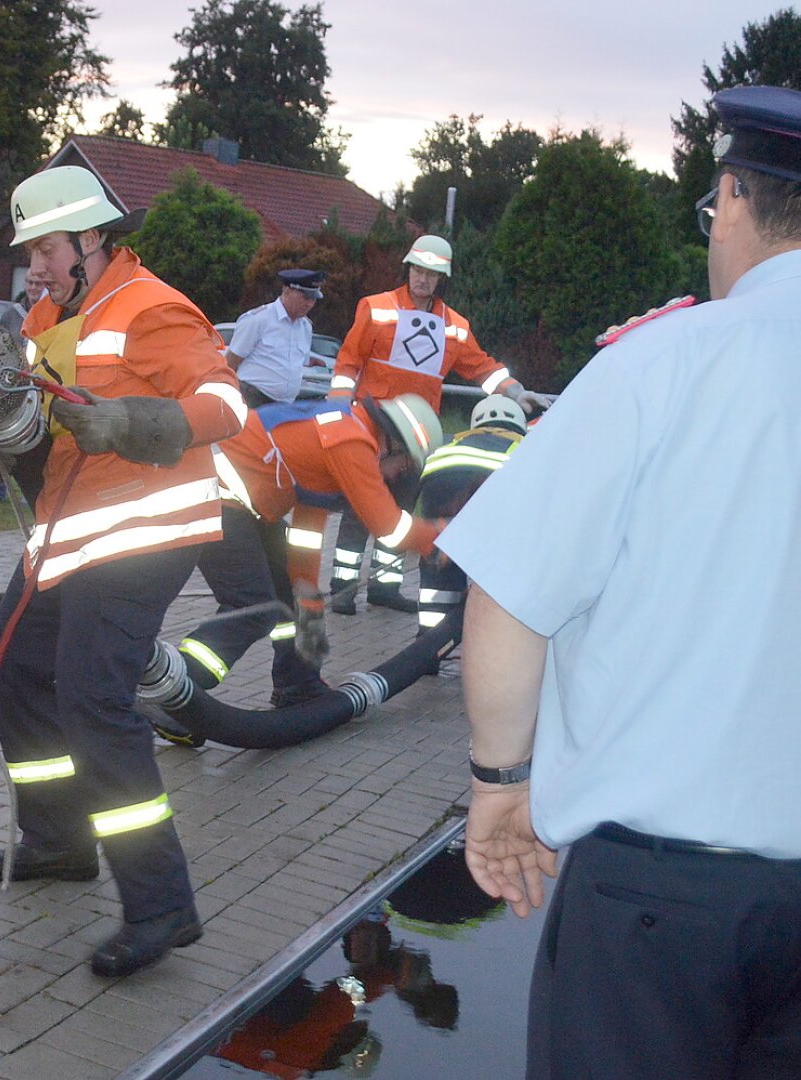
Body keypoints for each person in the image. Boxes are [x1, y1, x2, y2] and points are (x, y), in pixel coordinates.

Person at [441, 85, 801, 1078]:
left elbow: (512, 591)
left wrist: (500, 784)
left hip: (659, 909)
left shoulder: (662, 363)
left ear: (732, 196)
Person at [0, 166, 246, 978]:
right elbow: (36, 415)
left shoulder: (152, 307)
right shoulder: (51, 314)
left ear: (92, 239)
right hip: (70, 532)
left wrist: (126, 420)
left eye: (47, 249)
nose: (36, 268)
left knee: (94, 702)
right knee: (12, 671)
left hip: (147, 535)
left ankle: (162, 905)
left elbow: (226, 408)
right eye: (30, 253)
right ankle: (57, 839)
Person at [327, 235, 552, 615]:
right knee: (360, 508)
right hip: (373, 426)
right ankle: (343, 588)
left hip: (417, 437)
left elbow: (480, 367)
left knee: (400, 512)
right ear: (408, 269)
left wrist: (516, 393)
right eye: (418, 270)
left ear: (441, 278)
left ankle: (385, 586)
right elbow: (348, 361)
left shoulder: (455, 327)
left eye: (432, 274)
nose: (423, 280)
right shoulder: (376, 308)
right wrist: (339, 408)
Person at [177, 393, 444, 708]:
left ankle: (297, 685)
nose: (399, 476)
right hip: (211, 495)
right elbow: (388, 526)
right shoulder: (350, 439)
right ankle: (173, 690)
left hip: (236, 504)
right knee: (254, 607)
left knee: (290, 603)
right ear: (393, 444)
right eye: (405, 465)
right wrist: (438, 539)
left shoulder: (342, 435)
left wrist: (305, 589)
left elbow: (307, 528)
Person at [411, 394, 525, 635]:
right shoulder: (525, 445)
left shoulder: (452, 441)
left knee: (441, 558)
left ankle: (429, 641)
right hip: (493, 493)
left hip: (438, 486)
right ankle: (491, 636)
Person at [226, 267, 325, 407]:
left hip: (286, 405)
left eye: (313, 299)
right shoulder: (259, 319)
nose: (309, 304)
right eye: (305, 297)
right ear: (287, 291)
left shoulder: (305, 327)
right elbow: (231, 361)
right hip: (252, 398)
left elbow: (295, 362)